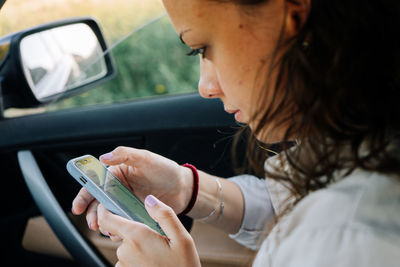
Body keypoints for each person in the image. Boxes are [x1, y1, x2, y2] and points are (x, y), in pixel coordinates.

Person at [72, 0, 400, 266]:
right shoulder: (355, 139)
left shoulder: (349, 236)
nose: (206, 87)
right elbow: (289, 206)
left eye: (201, 48)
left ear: (291, 16)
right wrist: (186, 188)